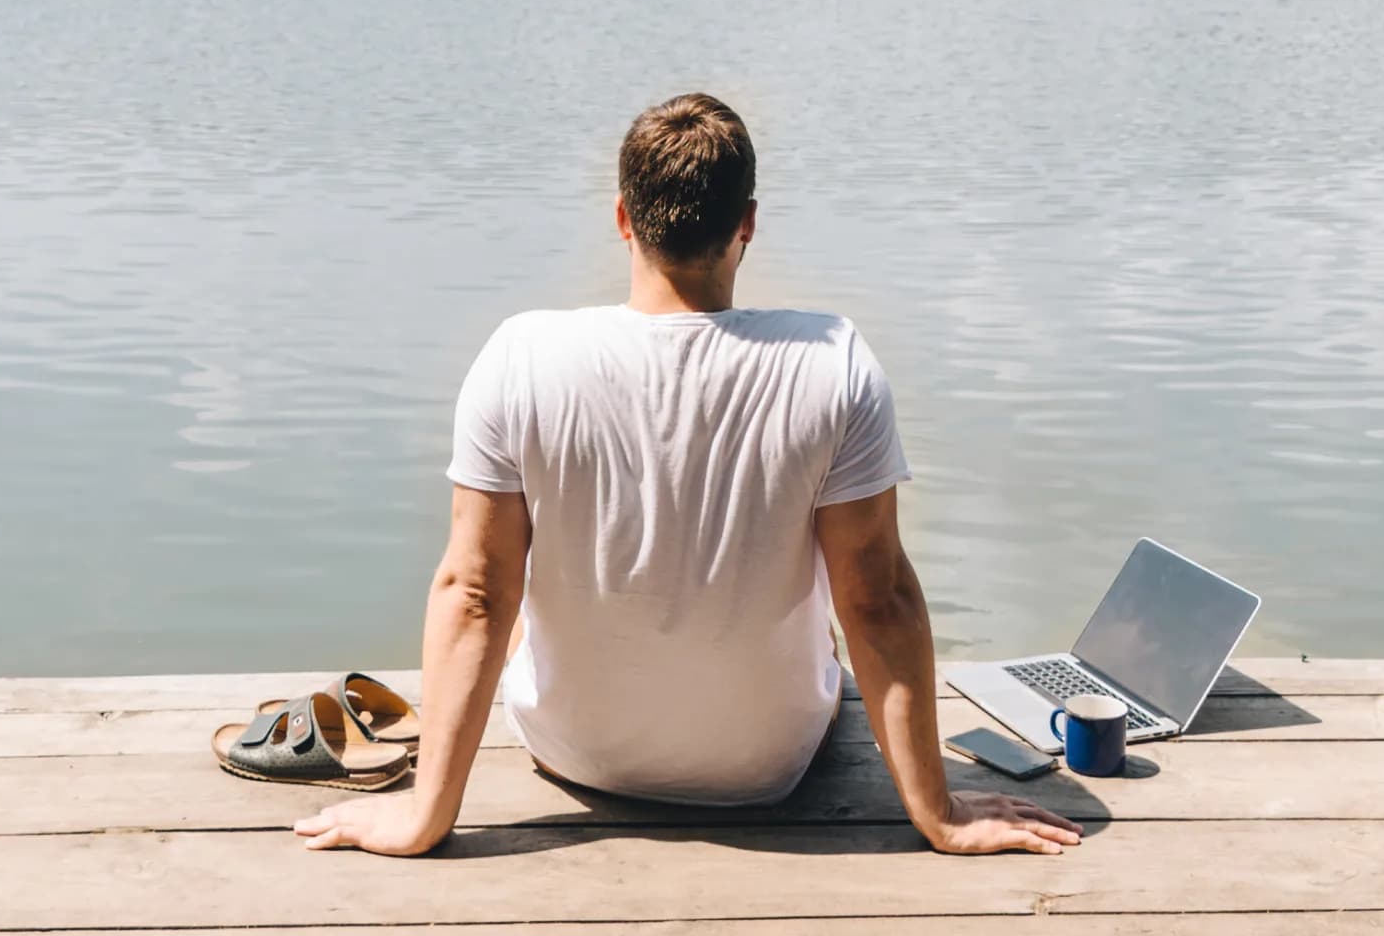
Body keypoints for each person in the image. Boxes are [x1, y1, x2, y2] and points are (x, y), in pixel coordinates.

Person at [295, 93, 1080, 858]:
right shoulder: (832, 362)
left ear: (622, 219)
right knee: (832, 624)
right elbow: (877, 599)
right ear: (747, 224)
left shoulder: (519, 357)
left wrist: (425, 816)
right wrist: (938, 813)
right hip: (769, 763)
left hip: (576, 753)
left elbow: (474, 592)